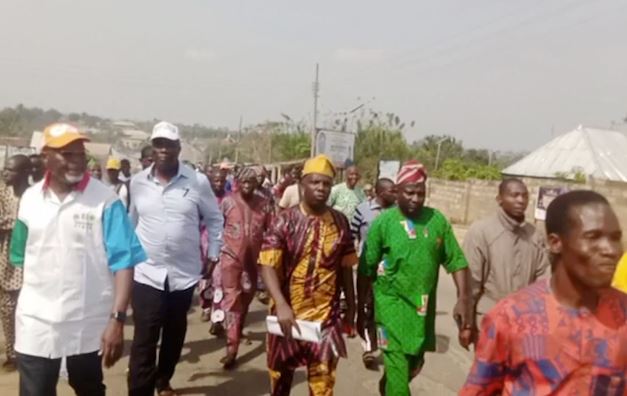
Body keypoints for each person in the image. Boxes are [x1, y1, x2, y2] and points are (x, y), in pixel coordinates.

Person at [10, 123, 145, 396]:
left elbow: (124, 262)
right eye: (66, 155)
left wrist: (117, 319)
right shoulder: (30, 200)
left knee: (88, 388)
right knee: (35, 391)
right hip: (36, 321)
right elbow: (19, 254)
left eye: (80, 154)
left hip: (87, 321)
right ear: (46, 156)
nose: (76, 161)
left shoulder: (105, 202)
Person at [460, 190, 627, 395]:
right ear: (556, 243)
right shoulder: (510, 317)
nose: (610, 250)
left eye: (615, 238)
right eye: (593, 237)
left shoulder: (623, 313)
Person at [358, 161, 474, 396]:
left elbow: (457, 261)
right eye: (409, 192)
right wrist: (361, 307)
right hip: (389, 306)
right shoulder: (384, 223)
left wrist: (464, 298)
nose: (415, 198)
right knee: (399, 379)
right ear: (398, 192)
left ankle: (389, 385)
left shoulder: (437, 221)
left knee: (412, 367)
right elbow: (366, 268)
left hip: (421, 310)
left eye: (420, 193)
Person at [128, 121, 223, 396]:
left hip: (182, 274)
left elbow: (215, 219)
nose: (164, 150)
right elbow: (131, 224)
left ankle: (163, 378)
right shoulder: (138, 183)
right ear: (153, 148)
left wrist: (214, 252)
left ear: (178, 148)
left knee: (174, 332)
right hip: (146, 271)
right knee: (144, 338)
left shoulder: (197, 181)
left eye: (169, 144)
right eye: (159, 144)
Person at [259, 154, 357, 396]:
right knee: (280, 380)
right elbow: (267, 265)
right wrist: (281, 304)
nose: (321, 188)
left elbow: (345, 267)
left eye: (326, 183)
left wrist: (352, 307)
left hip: (326, 318)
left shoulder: (341, 222)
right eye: (315, 182)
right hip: (287, 315)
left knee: (323, 386)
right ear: (302, 185)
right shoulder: (284, 221)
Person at [463, 178, 550, 322]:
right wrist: (467, 322)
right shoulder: (481, 232)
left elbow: (543, 278)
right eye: (514, 195)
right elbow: (471, 284)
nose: (521, 200)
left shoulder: (534, 235)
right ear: (499, 199)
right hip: (490, 318)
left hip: (524, 318)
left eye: (524, 196)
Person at [218, 166, 273, 369]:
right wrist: (215, 253)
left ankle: (237, 330)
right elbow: (217, 226)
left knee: (246, 298)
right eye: (245, 182)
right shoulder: (227, 202)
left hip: (253, 261)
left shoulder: (264, 205)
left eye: (252, 182)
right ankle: (231, 348)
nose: (248, 186)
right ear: (238, 183)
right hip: (230, 258)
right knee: (232, 299)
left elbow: (271, 231)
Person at [350, 178, 396, 369]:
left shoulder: (397, 213)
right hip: (367, 266)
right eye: (391, 191)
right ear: (379, 192)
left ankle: (385, 346)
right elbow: (352, 234)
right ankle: (368, 348)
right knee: (367, 306)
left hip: (391, 270)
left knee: (384, 310)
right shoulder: (362, 210)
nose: (395, 194)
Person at [0, 155, 30, 371]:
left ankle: (28, 350)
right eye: (5, 169)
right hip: (7, 257)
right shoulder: (2, 192)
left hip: (32, 257)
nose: (5, 172)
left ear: (22, 173)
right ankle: (12, 353)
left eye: (10, 170)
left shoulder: (34, 195)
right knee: (8, 307)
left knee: (28, 307)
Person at [199, 167, 230, 328]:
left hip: (221, 243)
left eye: (222, 181)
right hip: (204, 241)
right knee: (206, 277)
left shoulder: (229, 199)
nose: (219, 184)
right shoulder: (202, 199)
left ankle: (216, 317)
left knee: (219, 278)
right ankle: (205, 305)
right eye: (215, 181)